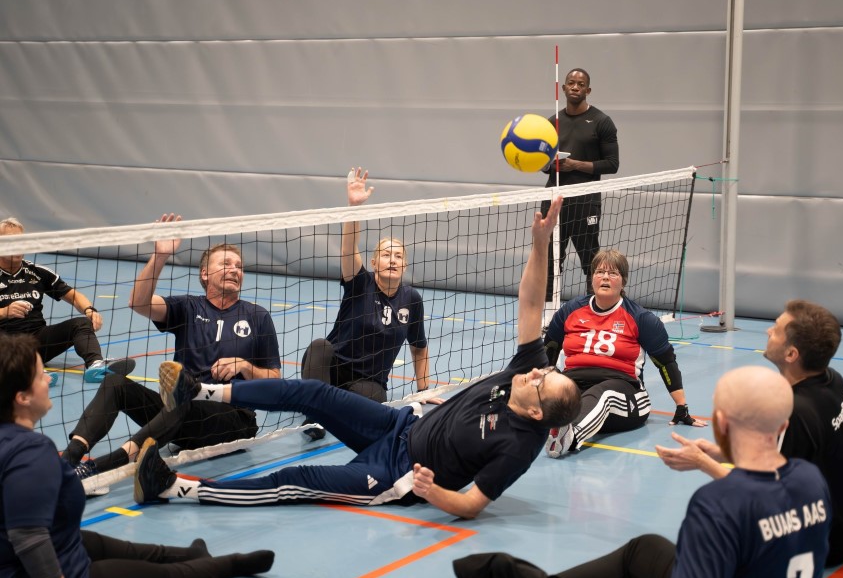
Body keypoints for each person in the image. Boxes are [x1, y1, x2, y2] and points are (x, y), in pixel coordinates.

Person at [133, 198, 581, 520]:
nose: (538, 371)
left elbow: (471, 505)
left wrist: (434, 492)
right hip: (400, 426)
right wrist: (540, 244)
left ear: (537, 411)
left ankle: (176, 488)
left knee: (297, 477)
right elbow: (530, 304)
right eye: (544, 369)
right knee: (311, 391)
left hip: (396, 472)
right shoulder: (527, 372)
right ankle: (202, 389)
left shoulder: (517, 448)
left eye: (542, 380)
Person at [452, 366, 831, 578]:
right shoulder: (811, 480)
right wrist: (719, 456)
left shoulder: (720, 505)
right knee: (644, 550)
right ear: (782, 427)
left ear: (720, 423)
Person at [0, 332, 275, 578]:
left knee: (104, 544)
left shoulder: (12, 441)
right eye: (40, 376)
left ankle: (190, 555)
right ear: (22, 398)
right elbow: (30, 539)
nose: (48, 379)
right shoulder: (31, 453)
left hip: (55, 544)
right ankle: (229, 564)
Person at [657, 300, 843, 567]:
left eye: (776, 330)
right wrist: (723, 454)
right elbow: (781, 457)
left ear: (791, 354)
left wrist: (702, 463)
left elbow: (762, 496)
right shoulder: (831, 378)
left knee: (726, 518)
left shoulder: (797, 412)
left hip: (836, 538)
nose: (768, 332)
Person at [62, 215, 282, 488]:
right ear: (205, 274)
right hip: (179, 414)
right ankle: (69, 460)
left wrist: (245, 367)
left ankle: (101, 467)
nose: (235, 269)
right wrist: (160, 255)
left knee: (182, 397)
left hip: (233, 420)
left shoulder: (257, 316)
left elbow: (275, 381)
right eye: (225, 264)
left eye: (239, 266)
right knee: (115, 384)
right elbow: (138, 303)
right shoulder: (189, 307)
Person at [299, 168, 431, 441]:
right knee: (318, 347)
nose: (392, 260)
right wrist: (353, 209)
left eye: (398, 256)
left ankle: (330, 405)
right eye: (386, 255)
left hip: (368, 382)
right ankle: (316, 416)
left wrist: (424, 391)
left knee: (373, 401)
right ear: (374, 263)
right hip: (331, 368)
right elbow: (349, 248)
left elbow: (419, 349)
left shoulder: (411, 300)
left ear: (405, 265)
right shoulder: (360, 283)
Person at [542, 248, 704, 458]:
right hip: (575, 385)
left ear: (623, 281)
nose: (605, 278)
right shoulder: (571, 310)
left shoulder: (640, 318)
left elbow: (666, 363)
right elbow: (550, 349)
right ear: (592, 278)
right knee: (548, 391)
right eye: (600, 272)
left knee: (604, 394)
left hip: (625, 392)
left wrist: (682, 406)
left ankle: (569, 437)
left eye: (613, 273)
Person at [0, 217, 134, 385]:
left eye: (21, 241)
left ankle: (95, 365)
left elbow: (72, 295)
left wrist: (89, 310)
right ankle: (31, 370)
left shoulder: (37, 272)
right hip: (5, 343)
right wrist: (4, 312)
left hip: (37, 340)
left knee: (81, 324)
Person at [540, 68, 619, 300]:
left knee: (590, 259)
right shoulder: (551, 122)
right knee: (550, 259)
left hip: (586, 200)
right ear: (563, 88)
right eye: (571, 83)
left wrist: (575, 165)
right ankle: (547, 314)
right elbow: (542, 162)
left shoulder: (601, 121)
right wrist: (550, 165)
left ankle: (595, 310)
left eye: (580, 84)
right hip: (554, 198)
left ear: (588, 90)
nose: (575, 87)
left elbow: (612, 164)